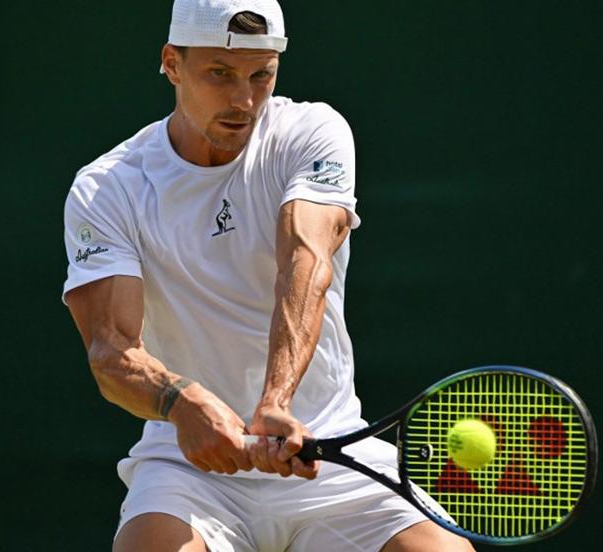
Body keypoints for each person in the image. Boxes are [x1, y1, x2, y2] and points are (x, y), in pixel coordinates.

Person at [62, 1, 474, 550]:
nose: (244, 100)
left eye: (262, 75)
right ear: (171, 63)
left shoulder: (311, 133)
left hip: (328, 449)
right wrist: (181, 402)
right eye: (220, 74)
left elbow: (304, 265)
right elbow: (111, 353)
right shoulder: (108, 187)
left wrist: (275, 402)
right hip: (188, 469)